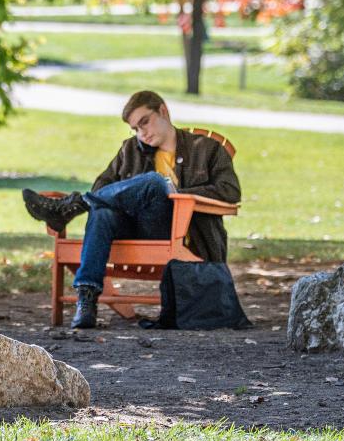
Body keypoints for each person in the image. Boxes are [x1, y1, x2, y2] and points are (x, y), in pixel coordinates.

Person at [22, 91, 241, 328]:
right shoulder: (131, 150)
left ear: (163, 111)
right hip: (134, 230)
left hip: (182, 234)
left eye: (145, 122)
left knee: (155, 182)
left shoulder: (207, 148)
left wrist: (178, 194)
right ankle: (87, 299)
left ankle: (73, 207)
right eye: (135, 128)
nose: (142, 133)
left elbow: (230, 191)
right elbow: (102, 187)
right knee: (103, 212)